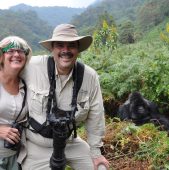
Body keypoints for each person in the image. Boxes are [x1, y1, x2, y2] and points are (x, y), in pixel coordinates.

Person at [20, 24, 110, 170]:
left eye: (71, 46)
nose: (65, 51)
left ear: (78, 49)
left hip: (70, 143)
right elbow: (5, 73)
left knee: (100, 168)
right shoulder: (32, 67)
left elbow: (96, 116)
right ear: (52, 49)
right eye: (60, 45)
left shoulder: (89, 77)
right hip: (37, 145)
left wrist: (96, 152)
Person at [0, 36, 31, 170]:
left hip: (17, 156)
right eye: (10, 51)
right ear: (2, 56)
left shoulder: (26, 84)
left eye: (21, 51)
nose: (16, 54)